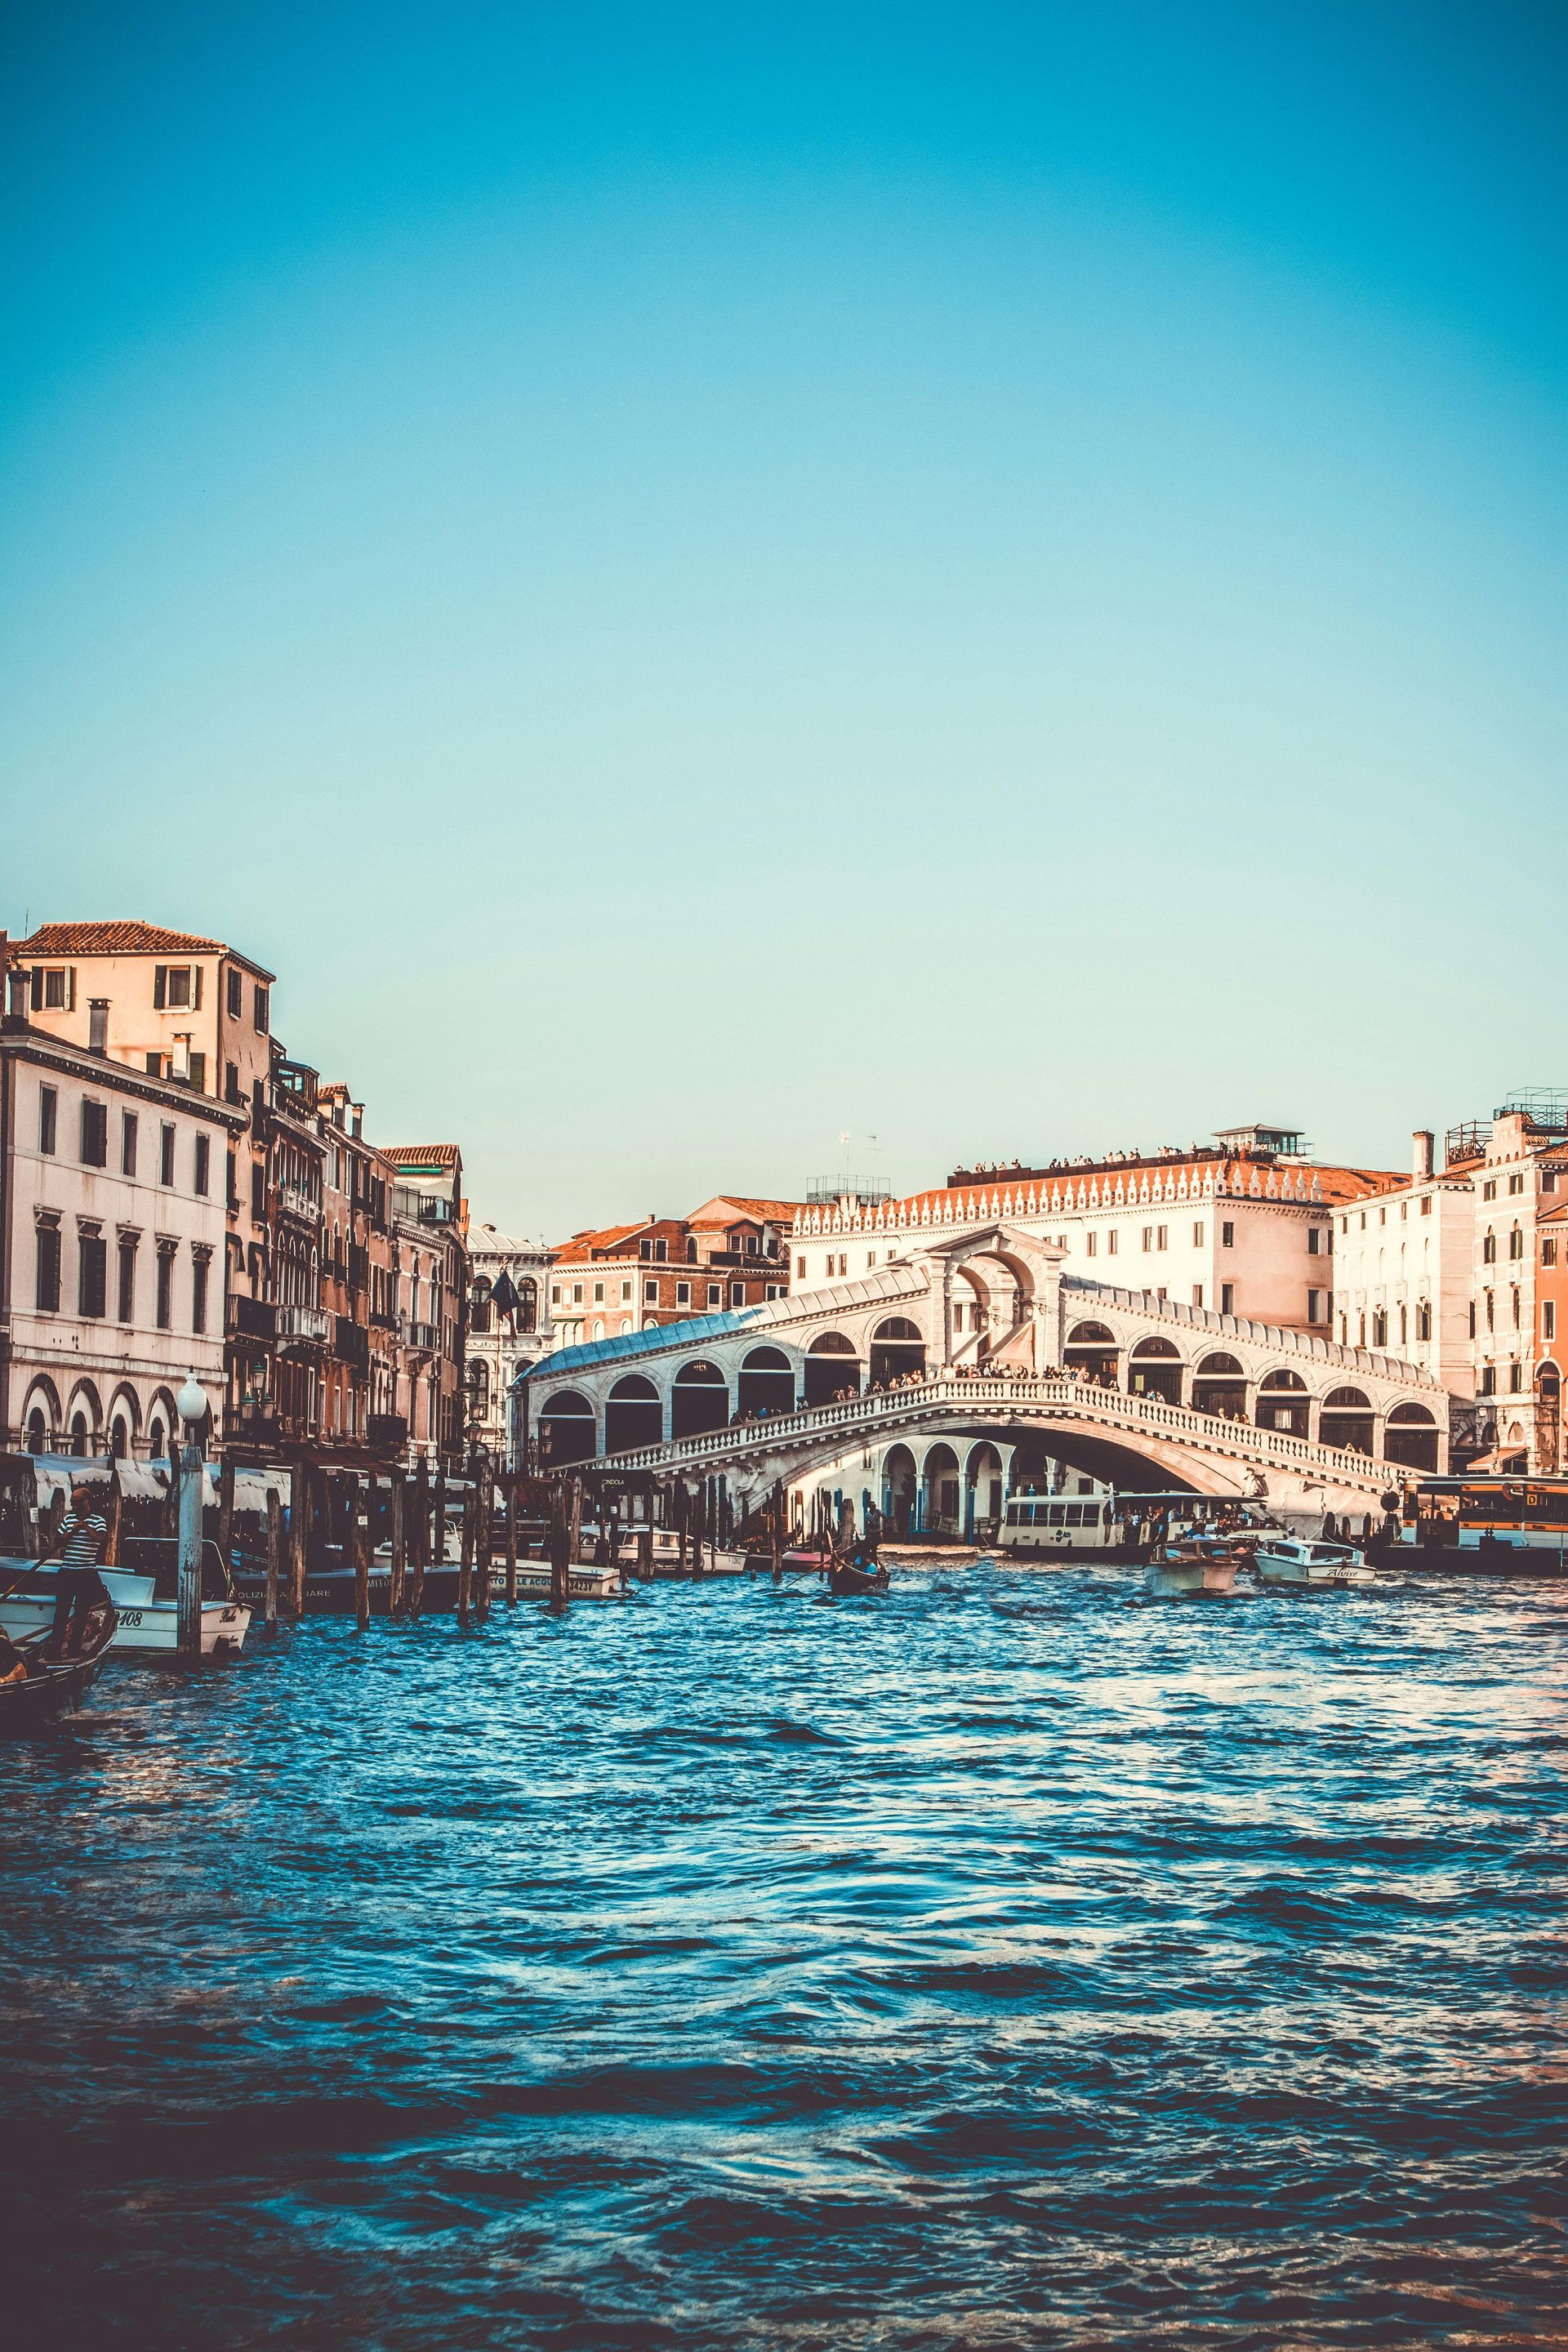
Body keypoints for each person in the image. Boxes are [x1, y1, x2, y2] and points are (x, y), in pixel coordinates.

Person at [46, 1479, 109, 1659]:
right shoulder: (68, 1519)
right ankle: (55, 1651)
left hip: (86, 1572)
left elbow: (100, 1538)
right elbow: (58, 1540)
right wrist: (73, 1531)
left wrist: (84, 1526)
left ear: (86, 1502)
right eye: (72, 1502)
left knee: (82, 1612)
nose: (73, 1506)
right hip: (68, 1572)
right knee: (62, 1613)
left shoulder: (98, 1520)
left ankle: (74, 1648)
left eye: (76, 1502)